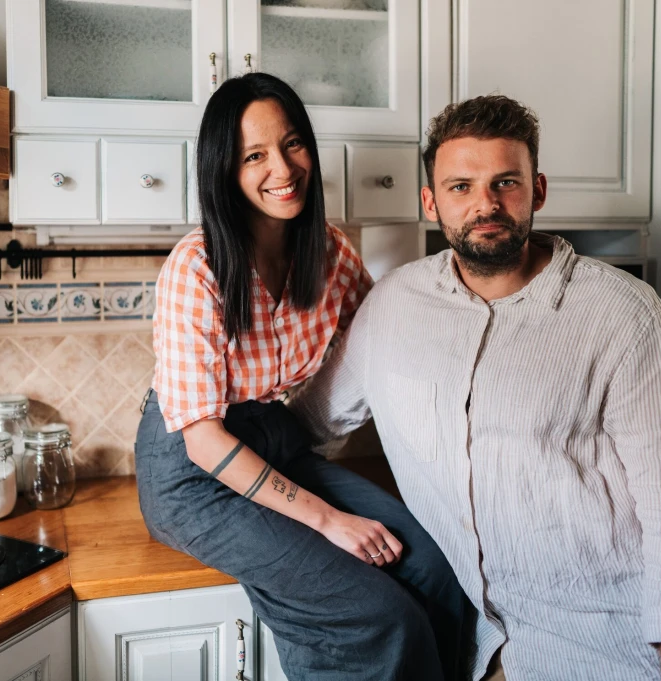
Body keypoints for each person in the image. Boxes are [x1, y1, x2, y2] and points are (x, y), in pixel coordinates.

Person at [291, 94, 661, 681]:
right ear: (430, 202)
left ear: (538, 190)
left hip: (615, 648)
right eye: (460, 187)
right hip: (484, 649)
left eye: (505, 182)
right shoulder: (392, 307)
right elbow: (307, 426)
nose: (485, 204)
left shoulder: (624, 314)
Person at [134, 73, 470, 681]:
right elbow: (203, 440)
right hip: (193, 477)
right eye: (254, 155)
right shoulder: (197, 266)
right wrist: (327, 518)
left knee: (437, 573)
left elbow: (389, 344)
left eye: (292, 144)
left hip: (274, 443)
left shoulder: (332, 254)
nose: (282, 168)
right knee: (378, 614)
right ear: (225, 171)